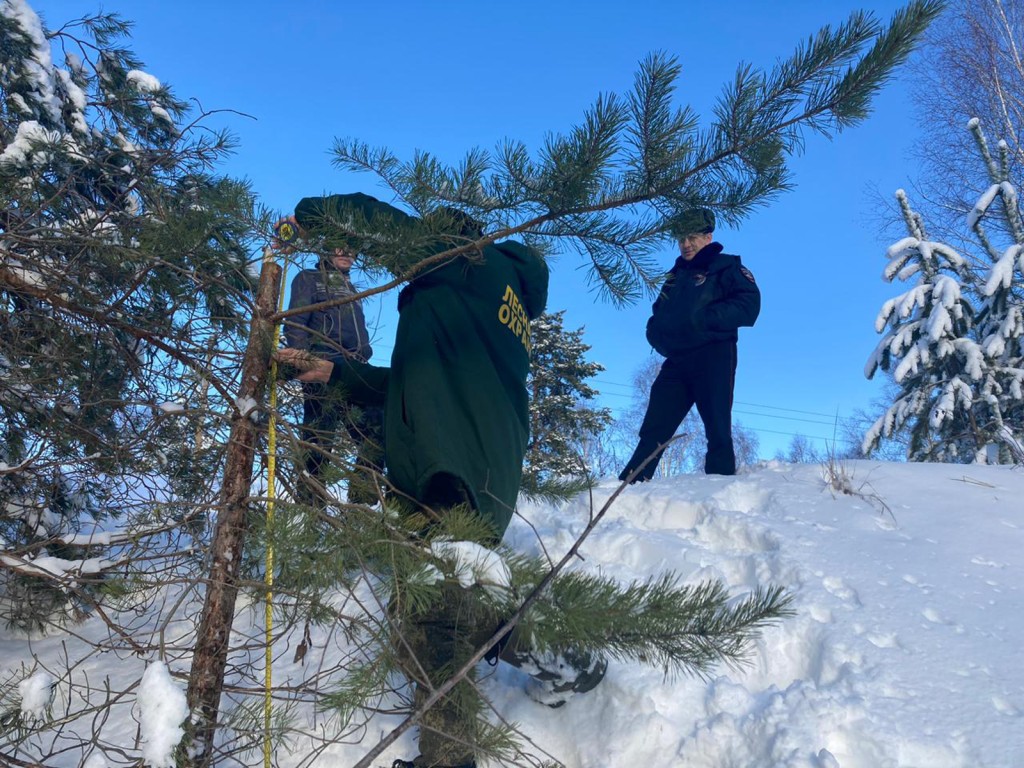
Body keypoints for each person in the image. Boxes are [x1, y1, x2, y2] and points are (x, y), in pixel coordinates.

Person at [274, 193, 605, 768]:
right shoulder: (485, 302)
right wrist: (338, 372)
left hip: (452, 461)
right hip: (469, 459)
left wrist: (310, 216)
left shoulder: (467, 261)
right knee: (443, 597)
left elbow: (375, 222)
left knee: (437, 614)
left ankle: (463, 747)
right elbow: (418, 380)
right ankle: (559, 659)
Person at [619, 208, 760, 482]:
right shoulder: (675, 276)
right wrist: (656, 335)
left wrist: (702, 320)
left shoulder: (727, 266)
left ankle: (719, 486)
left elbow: (748, 305)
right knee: (654, 427)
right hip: (677, 360)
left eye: (693, 237)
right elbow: (658, 313)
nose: (686, 244)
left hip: (714, 353)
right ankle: (629, 486)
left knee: (717, 426)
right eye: (681, 238)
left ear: (708, 237)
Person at [280, 243, 384, 506]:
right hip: (322, 363)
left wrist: (364, 353)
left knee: (379, 427)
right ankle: (310, 506)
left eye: (351, 249)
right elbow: (295, 321)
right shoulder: (309, 279)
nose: (347, 253)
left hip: (356, 366)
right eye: (339, 248)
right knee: (319, 437)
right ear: (325, 250)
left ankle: (362, 500)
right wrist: (304, 359)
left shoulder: (351, 288)